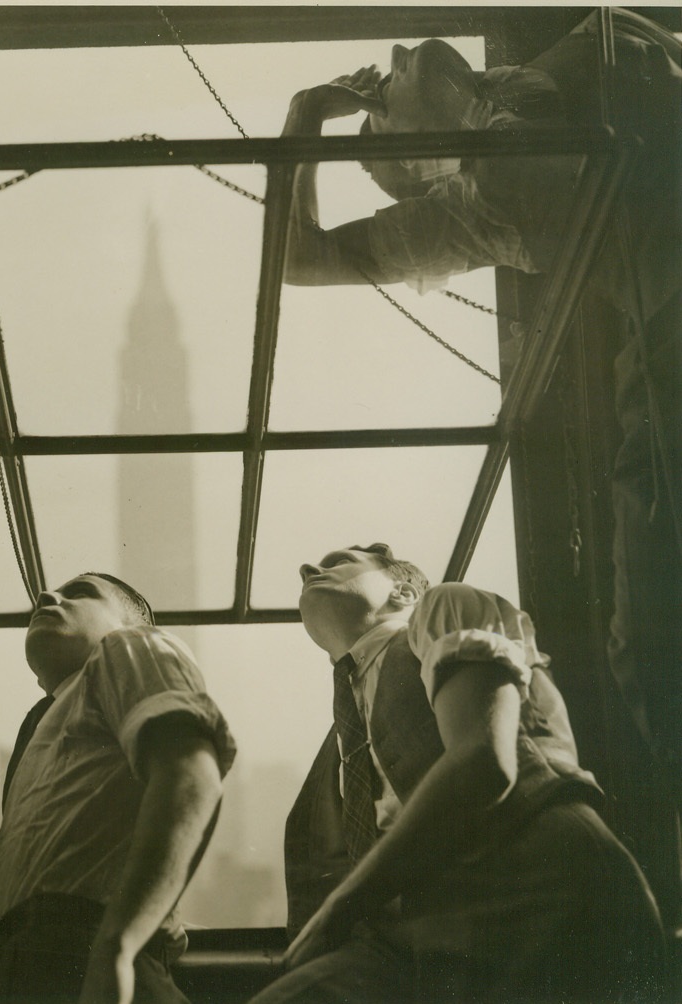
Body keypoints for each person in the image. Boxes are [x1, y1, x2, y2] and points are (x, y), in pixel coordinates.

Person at [280, 7, 682, 925]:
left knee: (654, 644)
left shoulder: (597, 48)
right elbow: (300, 260)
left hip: (661, 354)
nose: (387, 62)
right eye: (383, 111)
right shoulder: (485, 194)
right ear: (425, 163)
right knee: (651, 648)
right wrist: (304, 124)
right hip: (665, 356)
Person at [252, 543, 664, 1003]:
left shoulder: (443, 609)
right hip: (423, 938)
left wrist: (342, 908)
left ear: (403, 592)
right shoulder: (342, 741)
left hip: (542, 897)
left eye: (339, 561)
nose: (307, 567)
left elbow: (482, 764)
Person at [0, 572, 236, 1004]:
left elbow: (191, 775)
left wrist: (118, 943)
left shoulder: (126, 648)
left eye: (81, 593)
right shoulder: (46, 722)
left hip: (83, 949)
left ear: (128, 625)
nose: (45, 596)